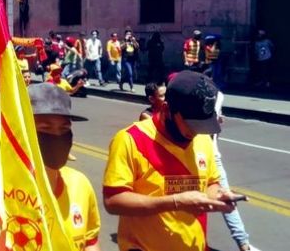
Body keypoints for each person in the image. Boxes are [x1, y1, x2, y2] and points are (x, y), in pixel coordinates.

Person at [103, 71, 241, 251]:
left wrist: (219, 196)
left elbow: (211, 183)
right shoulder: (130, 139)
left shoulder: (202, 139)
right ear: (167, 109)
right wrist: (175, 202)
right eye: (191, 124)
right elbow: (113, 201)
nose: (195, 132)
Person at [28, 83, 101, 250]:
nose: (57, 135)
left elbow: (90, 240)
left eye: (64, 128)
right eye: (45, 128)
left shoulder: (80, 183)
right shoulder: (3, 191)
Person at [211, 92, 260, 251]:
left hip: (211, 155)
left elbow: (214, 131)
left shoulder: (218, 95)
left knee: (227, 200)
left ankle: (244, 245)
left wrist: (216, 122)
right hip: (191, 154)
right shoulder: (216, 94)